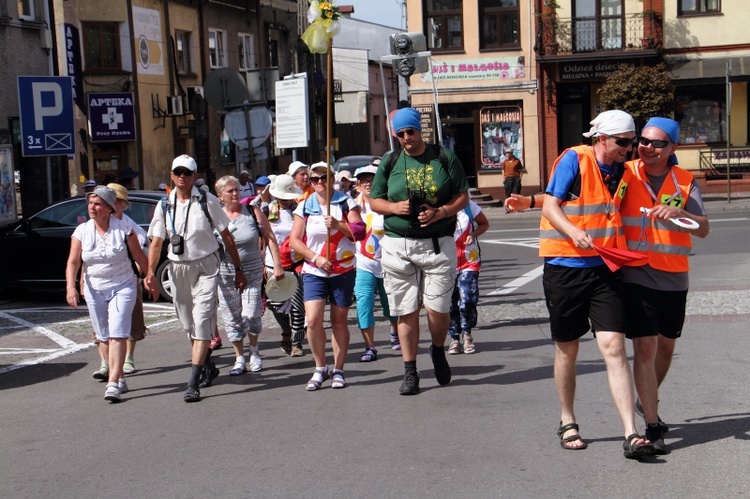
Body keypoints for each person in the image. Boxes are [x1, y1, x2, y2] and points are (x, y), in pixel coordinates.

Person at [539, 109, 654, 458]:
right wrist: (574, 232)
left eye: (631, 142)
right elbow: (550, 205)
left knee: (615, 348)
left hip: (605, 269)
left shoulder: (623, 170)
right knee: (568, 349)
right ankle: (568, 418)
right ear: (602, 138)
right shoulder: (575, 159)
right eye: (623, 142)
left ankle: (631, 434)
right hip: (565, 267)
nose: (629, 148)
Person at [620, 117, 710, 454]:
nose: (647, 147)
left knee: (666, 346)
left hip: (673, 275)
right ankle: (653, 426)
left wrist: (677, 215)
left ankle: (647, 397)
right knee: (644, 347)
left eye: (657, 143)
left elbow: (702, 228)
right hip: (636, 272)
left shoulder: (684, 182)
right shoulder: (626, 172)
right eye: (643, 140)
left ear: (672, 148)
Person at [369, 107, 470, 395]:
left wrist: (441, 212)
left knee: (437, 308)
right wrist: (393, 207)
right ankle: (410, 371)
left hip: (438, 243)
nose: (405, 138)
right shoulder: (390, 161)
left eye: (409, 131)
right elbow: (375, 200)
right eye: (399, 134)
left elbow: (462, 194)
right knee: (405, 309)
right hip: (398, 244)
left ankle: (437, 348)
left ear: (419, 130)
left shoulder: (443, 157)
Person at [144, 154, 247, 403]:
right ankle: (207, 365)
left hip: (206, 265)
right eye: (178, 172)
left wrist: (239, 269)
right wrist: (150, 273)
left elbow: (227, 236)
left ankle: (192, 383)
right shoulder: (164, 205)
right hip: (177, 267)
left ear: (195, 176)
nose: (182, 176)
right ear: (171, 175)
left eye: (187, 173)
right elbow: (157, 241)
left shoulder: (207, 201)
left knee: (202, 322)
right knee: (188, 324)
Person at [65, 186, 150, 403]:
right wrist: (71, 287)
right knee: (103, 335)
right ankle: (119, 375)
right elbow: (73, 261)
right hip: (95, 288)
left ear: (109, 208)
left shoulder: (124, 229)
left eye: (98, 204)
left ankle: (113, 383)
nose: (92, 207)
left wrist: (150, 278)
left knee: (118, 333)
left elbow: (139, 256)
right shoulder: (82, 231)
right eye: (90, 203)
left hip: (123, 285)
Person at [289, 162, 365, 391]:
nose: (320, 182)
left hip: (342, 269)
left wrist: (339, 225)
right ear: (310, 182)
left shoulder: (345, 202)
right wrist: (315, 258)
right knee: (312, 321)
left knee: (339, 321)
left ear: (332, 178)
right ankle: (320, 367)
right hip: (315, 270)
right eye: (315, 179)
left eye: (324, 178)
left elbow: (359, 232)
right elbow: (295, 241)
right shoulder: (305, 206)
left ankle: (339, 369)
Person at [214, 175, 284, 376]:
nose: (236, 194)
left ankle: (254, 350)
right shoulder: (215, 217)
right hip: (226, 274)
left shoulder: (252, 212)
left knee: (251, 313)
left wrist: (277, 265)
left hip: (252, 271)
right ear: (220, 197)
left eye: (237, 190)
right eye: (230, 191)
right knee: (232, 317)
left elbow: (270, 238)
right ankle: (239, 357)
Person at [352, 164, 399, 362]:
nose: (368, 183)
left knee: (392, 306)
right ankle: (369, 346)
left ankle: (395, 331)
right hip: (363, 264)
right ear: (358, 185)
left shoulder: (386, 204)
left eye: (372, 179)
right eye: (364, 180)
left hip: (387, 263)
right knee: (364, 303)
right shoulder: (352, 206)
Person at [107, 183, 149, 375]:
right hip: (105, 282)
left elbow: (142, 253)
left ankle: (129, 358)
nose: (111, 204)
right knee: (105, 323)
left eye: (115, 200)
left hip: (128, 280)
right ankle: (106, 361)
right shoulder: (98, 223)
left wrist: (140, 274)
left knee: (132, 321)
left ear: (123, 204)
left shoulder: (129, 226)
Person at [264, 175, 307, 357]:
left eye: (288, 198)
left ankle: (297, 342)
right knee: (276, 303)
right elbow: (263, 238)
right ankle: (286, 331)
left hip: (297, 262)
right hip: (273, 263)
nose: (285, 202)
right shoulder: (267, 210)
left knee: (298, 305)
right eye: (282, 198)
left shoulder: (300, 211)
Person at [448, 199, 489, 355]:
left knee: (468, 300)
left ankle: (467, 334)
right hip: (447, 262)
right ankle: (454, 338)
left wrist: (473, 234)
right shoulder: (437, 205)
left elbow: (484, 224)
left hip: (469, 261)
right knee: (451, 303)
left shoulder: (468, 205)